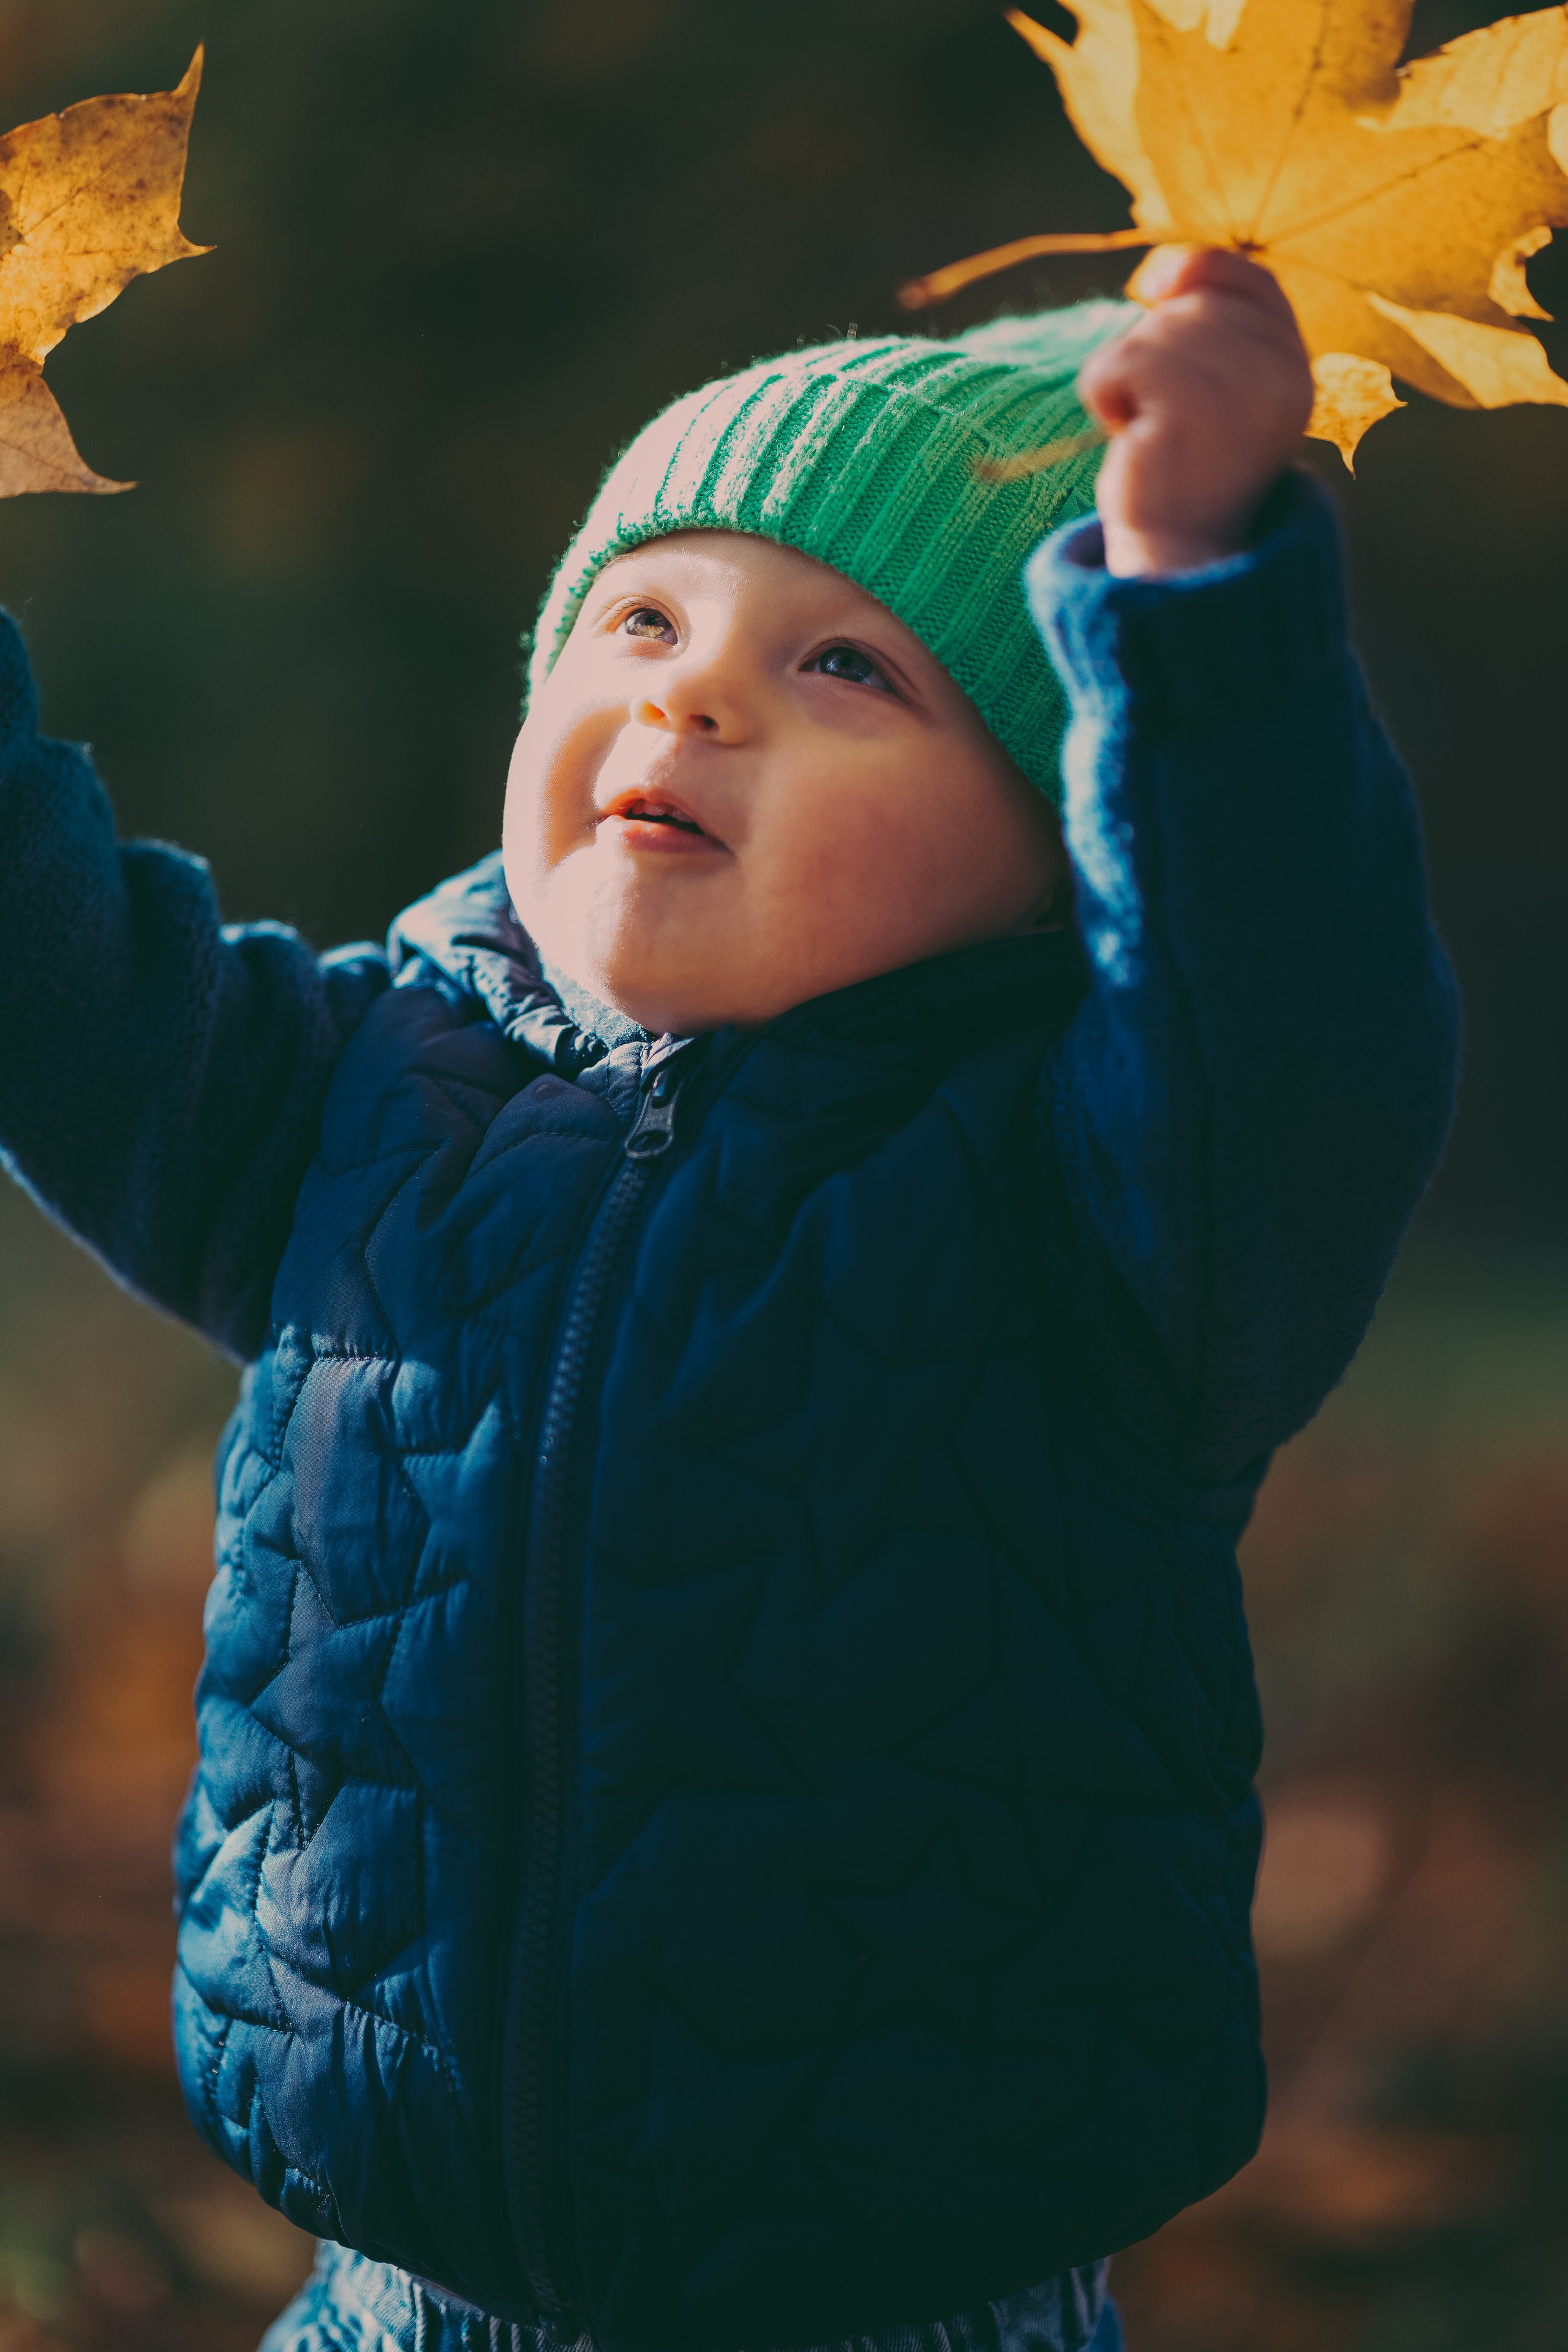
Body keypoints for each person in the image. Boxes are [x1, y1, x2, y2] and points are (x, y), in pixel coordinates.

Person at [0, 246, 1457, 2352]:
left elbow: (1297, 1023)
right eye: (643, 620)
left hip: (897, 2301)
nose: (689, 697)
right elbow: (48, 980)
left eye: (849, 667)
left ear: (1060, 845)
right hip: (398, 2288)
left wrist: (1198, 617)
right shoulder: (354, 1092)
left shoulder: (1112, 1196)